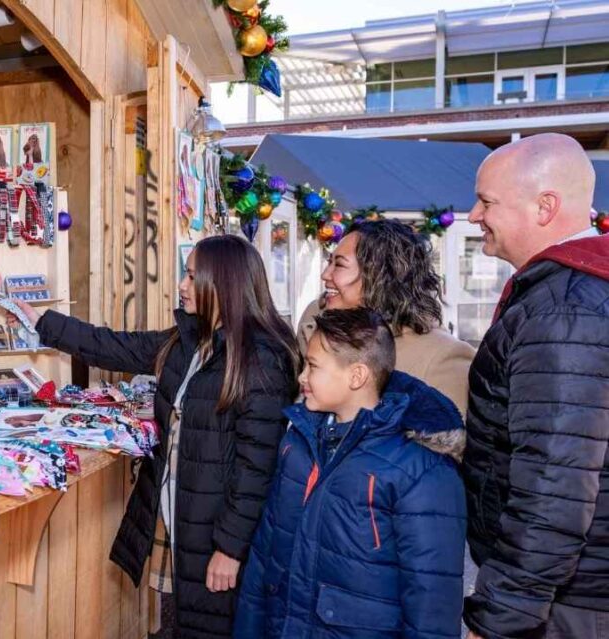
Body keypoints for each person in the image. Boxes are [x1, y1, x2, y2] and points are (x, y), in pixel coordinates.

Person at [13, 234, 300, 638]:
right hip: (179, 519)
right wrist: (40, 320)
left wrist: (230, 549)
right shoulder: (187, 342)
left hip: (216, 533)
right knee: (180, 621)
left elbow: (257, 470)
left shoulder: (259, 360)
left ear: (224, 284)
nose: (182, 286)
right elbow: (111, 346)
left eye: (191, 276)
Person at [233, 308, 467, 638]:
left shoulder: (420, 471)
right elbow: (264, 556)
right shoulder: (298, 444)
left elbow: (431, 601)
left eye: (312, 366)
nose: (301, 377)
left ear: (356, 376)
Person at [462, 133, 609, 639]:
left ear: (545, 207)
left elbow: (555, 484)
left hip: (569, 605)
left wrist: (501, 617)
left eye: (486, 202)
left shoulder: (564, 310)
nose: (474, 215)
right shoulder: (571, 294)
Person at [297, 219, 475, 413]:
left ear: (380, 275)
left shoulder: (442, 356)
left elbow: (448, 439)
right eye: (329, 262)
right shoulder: (315, 320)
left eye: (339, 265)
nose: (325, 274)